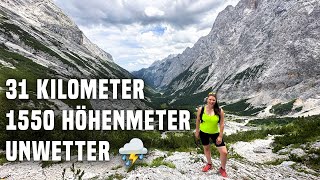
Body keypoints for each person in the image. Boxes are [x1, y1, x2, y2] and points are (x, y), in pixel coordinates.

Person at [195, 92, 228, 177]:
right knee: (206, 148)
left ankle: (222, 168)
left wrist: (220, 136)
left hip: (215, 133)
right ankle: (209, 164)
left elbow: (221, 124)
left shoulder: (220, 111)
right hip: (203, 132)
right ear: (207, 100)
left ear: (216, 101)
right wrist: (197, 131)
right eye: (210, 99)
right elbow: (198, 120)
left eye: (213, 100)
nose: (211, 101)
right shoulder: (201, 109)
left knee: (224, 152)